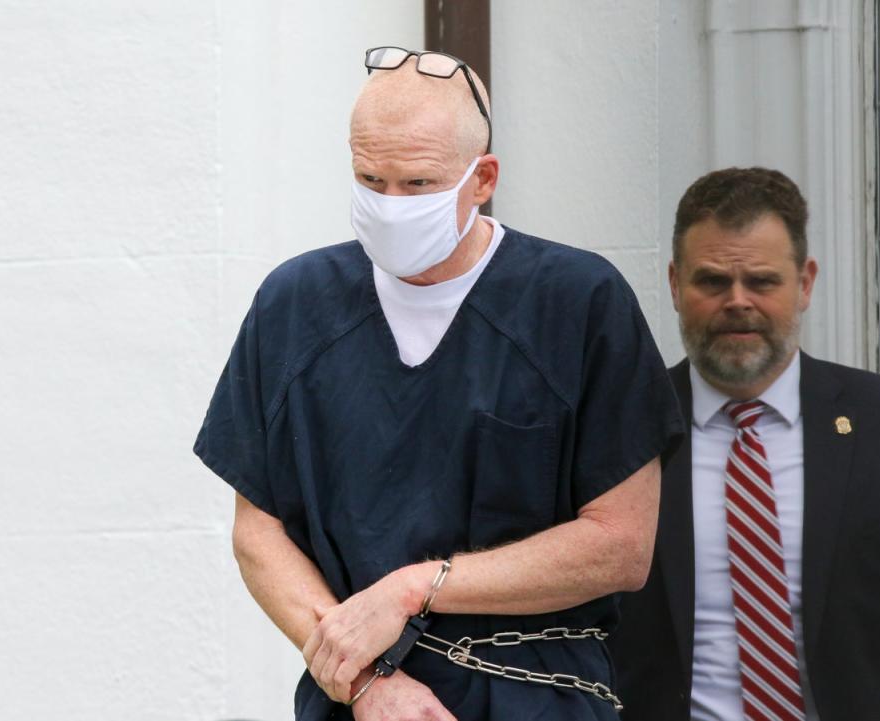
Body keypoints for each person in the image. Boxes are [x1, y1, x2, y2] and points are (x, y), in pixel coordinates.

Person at [194, 46, 683, 721]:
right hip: (358, 701)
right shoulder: (295, 304)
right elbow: (258, 532)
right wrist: (363, 683)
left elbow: (621, 545)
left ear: (482, 178)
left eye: (417, 184)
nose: (389, 205)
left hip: (537, 693)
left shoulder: (575, 303)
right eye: (370, 179)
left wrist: (415, 587)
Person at [607, 166, 880, 721]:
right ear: (673, 284)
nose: (738, 302)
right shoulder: (620, 430)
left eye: (762, 282)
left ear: (805, 282)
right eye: (712, 281)